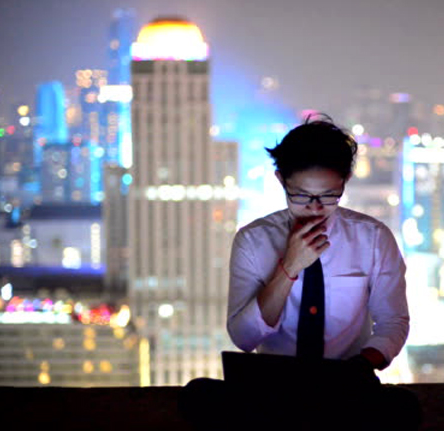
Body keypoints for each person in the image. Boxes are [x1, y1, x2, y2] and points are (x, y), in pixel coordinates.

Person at [179, 115, 420, 430]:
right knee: (197, 395)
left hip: (347, 387)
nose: (316, 208)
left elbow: (393, 322)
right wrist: (289, 266)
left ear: (345, 181)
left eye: (329, 196)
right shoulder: (254, 240)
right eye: (302, 196)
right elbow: (244, 337)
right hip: (271, 389)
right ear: (281, 180)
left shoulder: (372, 238)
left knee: (405, 408)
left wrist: (362, 366)